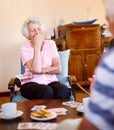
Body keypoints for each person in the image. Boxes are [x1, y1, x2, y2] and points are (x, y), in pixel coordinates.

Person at [57, 0, 114, 130]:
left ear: (110, 19)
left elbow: (90, 126)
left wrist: (96, 95)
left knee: (64, 125)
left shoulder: (110, 62)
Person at [19, 16, 71, 100]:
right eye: (33, 30)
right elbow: (36, 69)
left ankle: (60, 113)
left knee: (63, 91)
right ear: (28, 35)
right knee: (46, 91)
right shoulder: (24, 49)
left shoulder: (51, 44)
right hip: (30, 83)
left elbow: (58, 69)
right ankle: (45, 113)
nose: (37, 33)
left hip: (51, 81)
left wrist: (43, 70)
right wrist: (37, 47)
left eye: (39, 29)